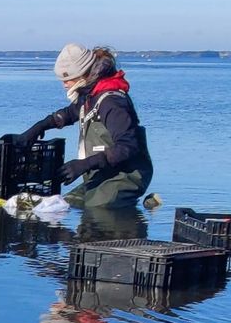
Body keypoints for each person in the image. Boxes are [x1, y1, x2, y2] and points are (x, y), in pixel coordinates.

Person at [18, 44, 153, 208]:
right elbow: (69, 113)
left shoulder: (111, 101)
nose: (64, 85)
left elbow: (127, 147)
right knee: (64, 205)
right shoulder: (90, 96)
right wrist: (40, 127)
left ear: (83, 74)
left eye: (67, 79)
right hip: (105, 171)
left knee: (97, 210)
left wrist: (84, 164)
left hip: (126, 175)